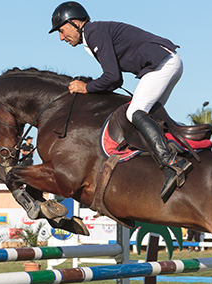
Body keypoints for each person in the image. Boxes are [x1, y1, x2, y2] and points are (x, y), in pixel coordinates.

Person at [49, 2, 192, 203]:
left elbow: (113, 78)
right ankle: (173, 155)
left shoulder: (94, 33)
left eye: (62, 30)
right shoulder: (93, 35)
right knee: (149, 116)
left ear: (75, 23)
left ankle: (172, 164)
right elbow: (114, 79)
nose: (61, 37)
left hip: (162, 64)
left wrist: (86, 87)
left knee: (135, 112)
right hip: (167, 62)